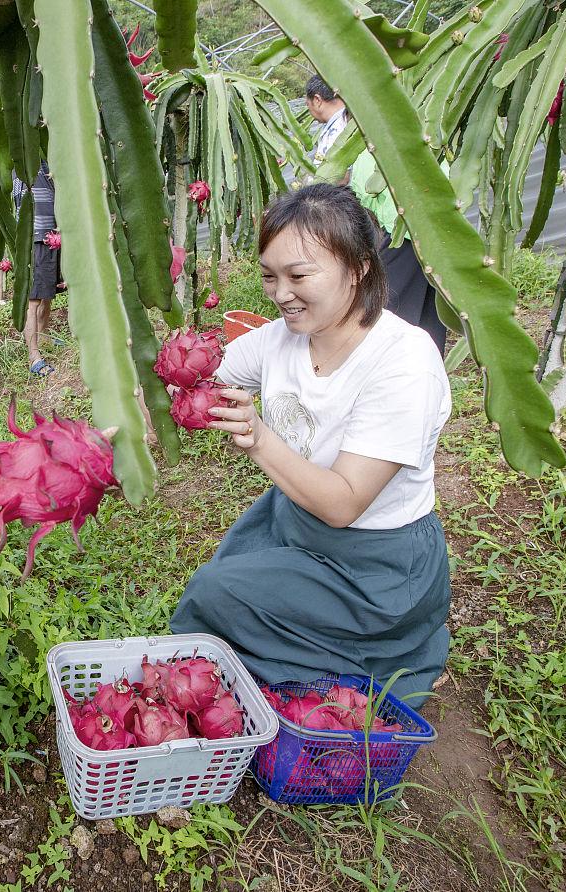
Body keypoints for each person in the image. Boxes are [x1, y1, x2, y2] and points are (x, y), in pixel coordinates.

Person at [170, 184, 452, 703]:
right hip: (294, 521)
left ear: (359, 267)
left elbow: (344, 503)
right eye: (270, 277)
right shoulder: (282, 337)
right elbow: (200, 375)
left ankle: (373, 655)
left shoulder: (404, 363)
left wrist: (259, 439)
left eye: (299, 276)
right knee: (226, 593)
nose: (281, 294)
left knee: (215, 594)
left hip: (373, 565)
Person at [349, 150, 448, 356]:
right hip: (435, 227)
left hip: (400, 230)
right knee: (428, 319)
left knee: (384, 320)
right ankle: (425, 378)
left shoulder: (370, 136)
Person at [12, 161, 61, 377]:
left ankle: (44, 337)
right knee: (32, 300)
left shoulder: (49, 158)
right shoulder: (24, 158)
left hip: (54, 235)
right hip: (34, 237)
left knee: (47, 293)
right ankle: (34, 357)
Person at [304, 74, 348, 165]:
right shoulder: (354, 120)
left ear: (317, 100)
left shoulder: (337, 130)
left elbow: (341, 176)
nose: (309, 111)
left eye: (307, 104)